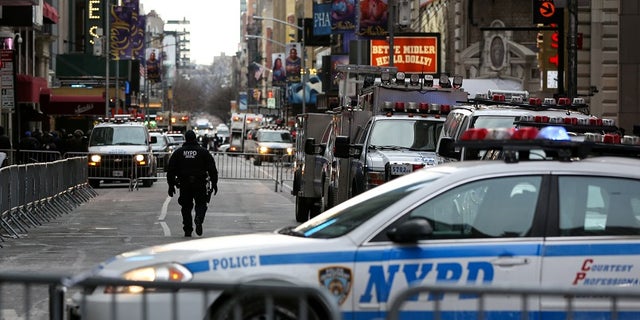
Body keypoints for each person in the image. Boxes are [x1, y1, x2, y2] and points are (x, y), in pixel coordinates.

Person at [166, 130, 218, 237]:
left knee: (186, 207)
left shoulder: (179, 152)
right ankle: (199, 217)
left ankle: (188, 229)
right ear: (195, 138)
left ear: (185, 139)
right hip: (199, 183)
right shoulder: (203, 152)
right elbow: (212, 168)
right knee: (201, 204)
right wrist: (214, 183)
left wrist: (171, 185)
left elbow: (171, 170)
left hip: (184, 183)